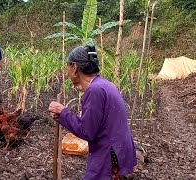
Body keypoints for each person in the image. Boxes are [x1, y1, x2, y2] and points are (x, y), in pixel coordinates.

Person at [48, 45, 137, 179]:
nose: (67, 71)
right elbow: (94, 125)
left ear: (74, 67)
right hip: (118, 149)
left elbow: (87, 131)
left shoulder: (94, 91)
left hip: (108, 154)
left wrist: (63, 112)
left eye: (68, 66)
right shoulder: (104, 85)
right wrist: (63, 115)